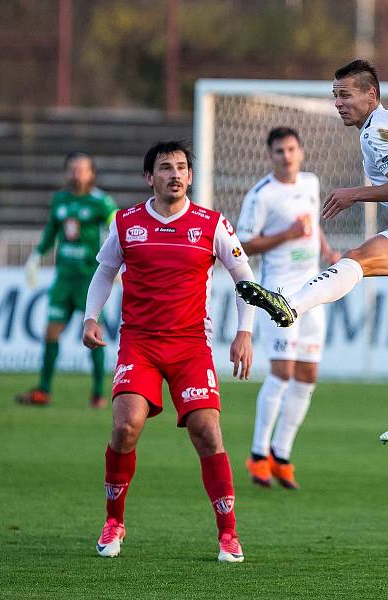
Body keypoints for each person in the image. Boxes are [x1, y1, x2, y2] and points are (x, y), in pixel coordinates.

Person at [236, 60, 388, 495]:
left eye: (346, 95)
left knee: (359, 258)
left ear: (372, 95)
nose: (339, 104)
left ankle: (291, 304)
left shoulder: (375, 131)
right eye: (335, 96)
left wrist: (357, 193)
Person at [81, 141, 256, 563]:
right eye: (165, 168)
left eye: (181, 168)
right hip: (139, 343)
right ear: (149, 177)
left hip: (191, 347)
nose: (175, 175)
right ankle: (114, 521)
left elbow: (243, 277)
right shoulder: (125, 223)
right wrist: (91, 317)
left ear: (190, 177)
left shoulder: (211, 223)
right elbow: (105, 271)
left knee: (208, 432)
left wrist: (244, 332)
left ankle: (228, 534)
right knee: (125, 428)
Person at [237, 127, 340, 490]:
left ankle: (281, 455)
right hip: (279, 292)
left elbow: (311, 225)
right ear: (270, 156)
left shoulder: (310, 183)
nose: (286, 156)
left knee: (308, 376)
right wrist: (286, 236)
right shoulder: (261, 195)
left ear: (301, 152)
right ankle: (257, 453)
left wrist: (326, 251)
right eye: (279, 151)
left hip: (313, 291)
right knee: (281, 372)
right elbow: (244, 246)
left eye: (292, 149)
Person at [16, 152, 117, 408]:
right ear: (66, 172)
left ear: (91, 174)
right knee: (51, 331)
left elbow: (117, 223)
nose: (76, 174)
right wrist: (36, 256)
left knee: (94, 334)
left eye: (82, 169)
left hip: (88, 279)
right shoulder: (59, 199)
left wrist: (118, 263)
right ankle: (44, 390)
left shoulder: (100, 202)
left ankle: (98, 393)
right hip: (63, 279)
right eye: (72, 169)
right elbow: (52, 230)